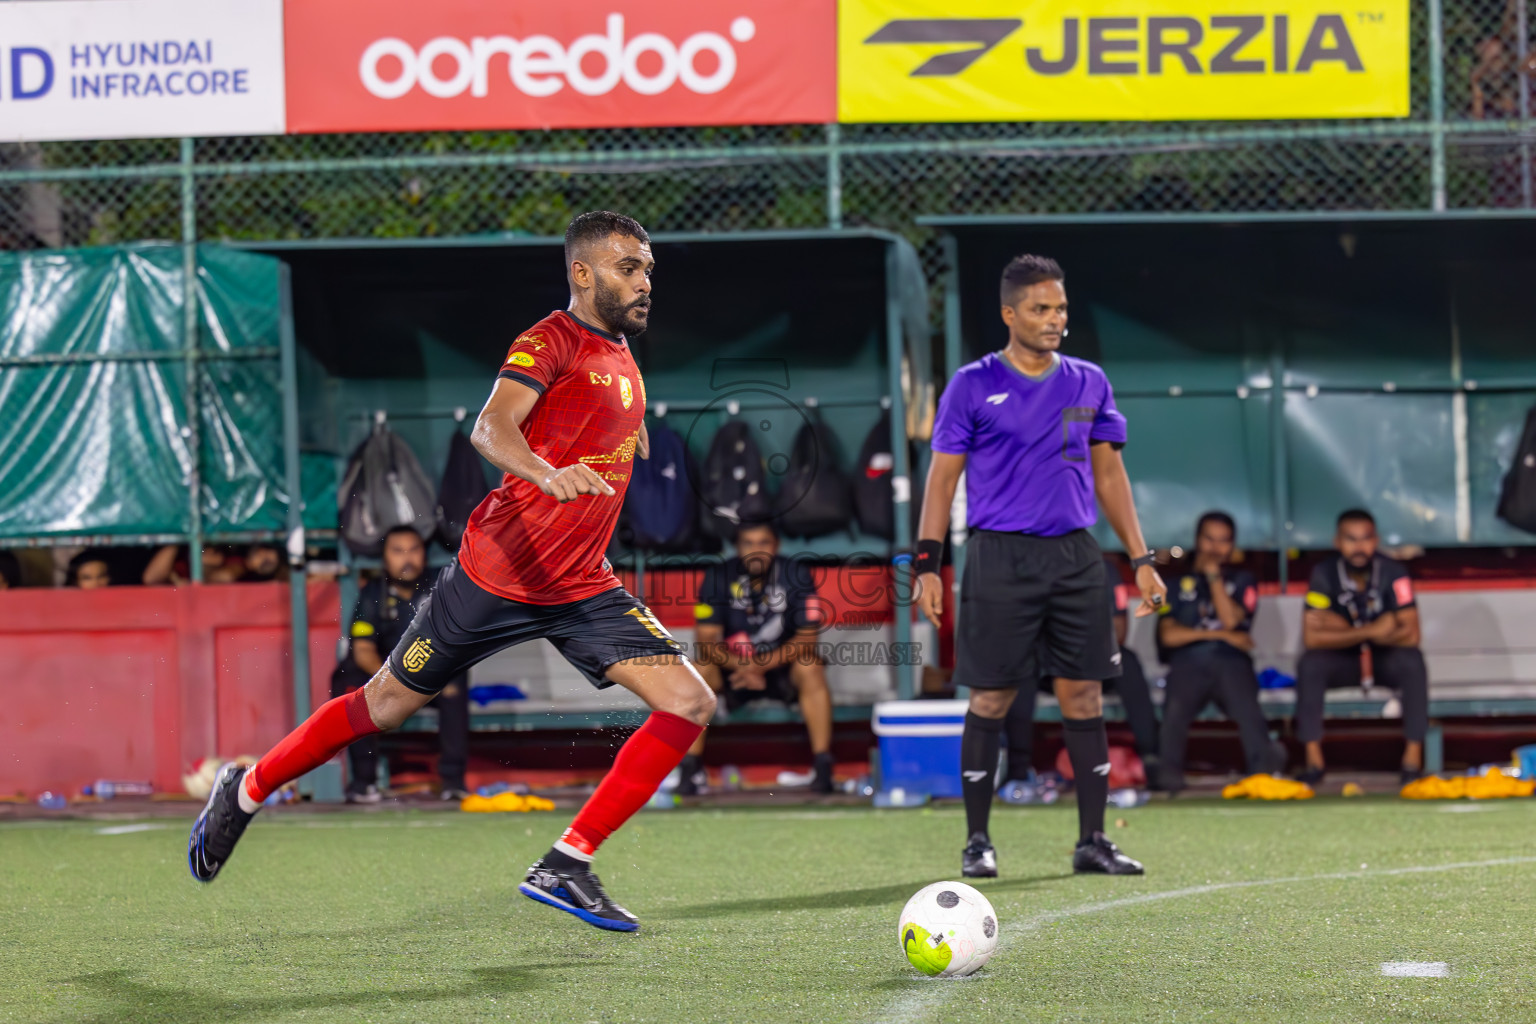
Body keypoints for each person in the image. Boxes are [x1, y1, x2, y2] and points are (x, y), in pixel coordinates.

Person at [189, 210, 715, 934]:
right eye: (630, 267)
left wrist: (627, 432)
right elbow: (491, 429)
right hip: (497, 575)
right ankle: (245, 789)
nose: (645, 280)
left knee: (688, 701)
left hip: (581, 584)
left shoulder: (620, 347)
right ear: (583, 273)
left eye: (649, 267)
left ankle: (566, 864)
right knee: (385, 707)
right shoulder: (548, 338)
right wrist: (544, 471)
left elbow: (600, 415)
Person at [916, 253, 1166, 879]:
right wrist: (926, 564)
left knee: (1083, 696)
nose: (1055, 320)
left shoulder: (1089, 381)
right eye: (1040, 309)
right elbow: (942, 481)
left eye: (1060, 309)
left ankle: (1093, 841)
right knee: (993, 698)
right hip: (999, 556)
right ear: (1010, 314)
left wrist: (1141, 559)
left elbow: (1109, 473)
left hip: (1076, 556)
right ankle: (977, 840)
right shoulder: (972, 384)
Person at [680, 523, 833, 795]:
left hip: (782, 670)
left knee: (810, 665)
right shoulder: (718, 575)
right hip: (732, 671)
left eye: (763, 542)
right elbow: (706, 641)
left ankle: (823, 767)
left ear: (775, 546)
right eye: (748, 543)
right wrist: (743, 666)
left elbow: (807, 639)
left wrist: (760, 665)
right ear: (738, 548)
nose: (756, 550)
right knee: (699, 669)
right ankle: (690, 771)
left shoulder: (795, 573)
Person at [999, 556, 1161, 796]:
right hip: (1049, 663)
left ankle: (1152, 759)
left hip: (1094, 660)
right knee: (1021, 666)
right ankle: (1018, 771)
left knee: (1127, 661)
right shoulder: (1031, 569)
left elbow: (1119, 630)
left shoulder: (1105, 570)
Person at [1296, 509, 1427, 785]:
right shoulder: (1323, 574)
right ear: (1337, 542)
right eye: (1351, 539)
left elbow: (1412, 633)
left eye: (1366, 539)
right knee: (1310, 664)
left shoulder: (1394, 572)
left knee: (1412, 661)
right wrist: (1373, 630)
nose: (1359, 547)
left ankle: (1413, 758)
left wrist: (1341, 628)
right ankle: (1313, 759)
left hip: (1383, 658)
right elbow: (1312, 637)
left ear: (1376, 540)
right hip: (1343, 660)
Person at [343, 526, 469, 802]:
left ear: (424, 554)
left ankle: (453, 781)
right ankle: (364, 783)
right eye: (398, 551)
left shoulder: (442, 588)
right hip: (387, 677)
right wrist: (390, 682)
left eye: (414, 550)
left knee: (456, 685)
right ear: (385, 557)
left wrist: (436, 679)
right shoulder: (373, 593)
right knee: (347, 678)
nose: (407, 558)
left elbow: (459, 641)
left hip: (432, 678)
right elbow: (362, 649)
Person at [1155, 512, 1276, 793]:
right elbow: (1168, 635)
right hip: (1188, 660)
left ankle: (1262, 773)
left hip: (1230, 662)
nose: (1215, 548)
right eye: (1209, 540)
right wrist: (1221, 634)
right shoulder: (1172, 583)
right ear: (1198, 540)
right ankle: (1168, 776)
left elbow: (1233, 619)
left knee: (1248, 707)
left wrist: (1213, 578)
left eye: (1223, 542)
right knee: (1175, 709)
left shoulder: (1244, 580)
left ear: (1232, 545)